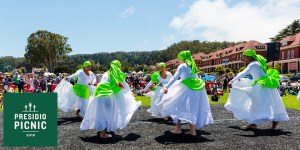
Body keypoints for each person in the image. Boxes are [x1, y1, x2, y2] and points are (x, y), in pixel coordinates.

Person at [225, 49, 289, 129]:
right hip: (266, 86)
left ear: (249, 57)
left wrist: (232, 80)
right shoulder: (257, 63)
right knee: (273, 103)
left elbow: (244, 72)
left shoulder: (253, 64)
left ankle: (254, 124)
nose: (244, 59)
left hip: (262, 87)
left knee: (257, 104)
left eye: (244, 57)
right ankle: (259, 124)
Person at [80, 60, 141, 139]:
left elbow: (103, 84)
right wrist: (131, 93)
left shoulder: (106, 73)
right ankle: (103, 134)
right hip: (108, 96)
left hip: (99, 95)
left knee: (102, 113)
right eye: (119, 67)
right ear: (118, 67)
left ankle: (103, 130)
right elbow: (125, 85)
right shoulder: (116, 74)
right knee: (109, 114)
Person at [161, 51, 214, 136]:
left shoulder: (182, 66)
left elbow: (175, 77)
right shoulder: (193, 65)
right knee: (192, 107)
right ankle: (192, 130)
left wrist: (167, 86)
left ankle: (178, 129)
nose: (179, 60)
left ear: (182, 58)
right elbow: (196, 77)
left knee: (178, 106)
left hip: (187, 88)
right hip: (198, 88)